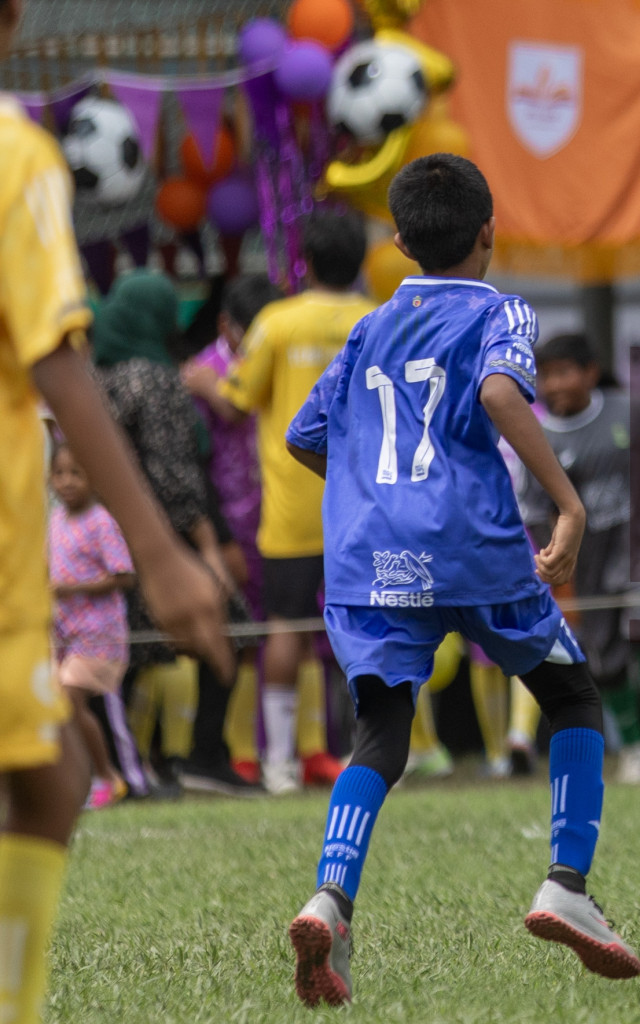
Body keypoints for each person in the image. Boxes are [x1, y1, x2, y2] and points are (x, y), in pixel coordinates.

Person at [282, 153, 640, 1006]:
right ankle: (566, 885)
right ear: (490, 230)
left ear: (399, 241)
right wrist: (568, 506)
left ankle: (329, 899)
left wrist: (375, 493)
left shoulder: (368, 329)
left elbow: (304, 436)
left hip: (372, 557)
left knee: (382, 732)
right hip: (469, 544)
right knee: (570, 697)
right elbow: (501, 394)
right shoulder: (500, 310)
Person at [0, 1, 231, 1014]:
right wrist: (166, 550)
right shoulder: (16, 155)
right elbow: (53, 349)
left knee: (49, 772)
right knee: (46, 777)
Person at [194, 213, 373, 794]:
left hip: (293, 509)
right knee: (371, 627)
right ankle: (372, 755)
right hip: (369, 505)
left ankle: (279, 767)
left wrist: (200, 383)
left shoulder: (276, 322)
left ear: (308, 265)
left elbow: (236, 402)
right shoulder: (380, 320)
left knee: (286, 629)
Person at [93, 270, 256, 797]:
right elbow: (172, 475)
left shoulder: (99, 379)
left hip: (101, 541)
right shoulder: (156, 380)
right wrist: (208, 547)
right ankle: (204, 756)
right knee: (232, 630)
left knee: (119, 655)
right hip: (159, 541)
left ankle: (125, 768)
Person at [519, 333, 640, 784]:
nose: (554, 385)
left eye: (564, 372)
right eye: (546, 376)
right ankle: (633, 746)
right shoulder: (538, 437)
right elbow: (537, 511)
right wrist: (557, 565)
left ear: (590, 372)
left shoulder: (631, 410)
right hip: (588, 565)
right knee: (606, 660)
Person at [183, 274, 284, 783]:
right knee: (236, 635)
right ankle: (238, 750)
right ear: (227, 325)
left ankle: (282, 751)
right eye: (252, 333)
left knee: (282, 632)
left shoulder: (276, 359)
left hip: (276, 513)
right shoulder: (200, 372)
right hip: (226, 523)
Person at [48, 445, 136, 808]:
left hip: (99, 634)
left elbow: (123, 574)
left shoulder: (101, 521)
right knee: (57, 704)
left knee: (70, 697)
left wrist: (74, 588)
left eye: (77, 473)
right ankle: (81, 779)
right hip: (63, 633)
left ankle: (112, 777)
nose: (67, 482)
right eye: (60, 474)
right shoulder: (55, 521)